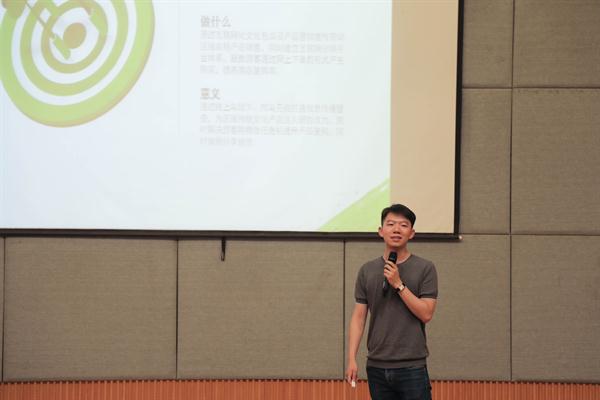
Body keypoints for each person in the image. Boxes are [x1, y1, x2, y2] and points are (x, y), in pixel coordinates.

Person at [345, 204, 438, 400]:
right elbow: (359, 318)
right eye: (391, 224)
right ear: (381, 231)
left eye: (403, 225)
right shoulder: (367, 270)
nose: (396, 229)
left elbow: (426, 314)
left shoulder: (425, 268)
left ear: (411, 233)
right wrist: (352, 358)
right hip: (376, 366)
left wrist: (399, 285)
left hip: (411, 366)